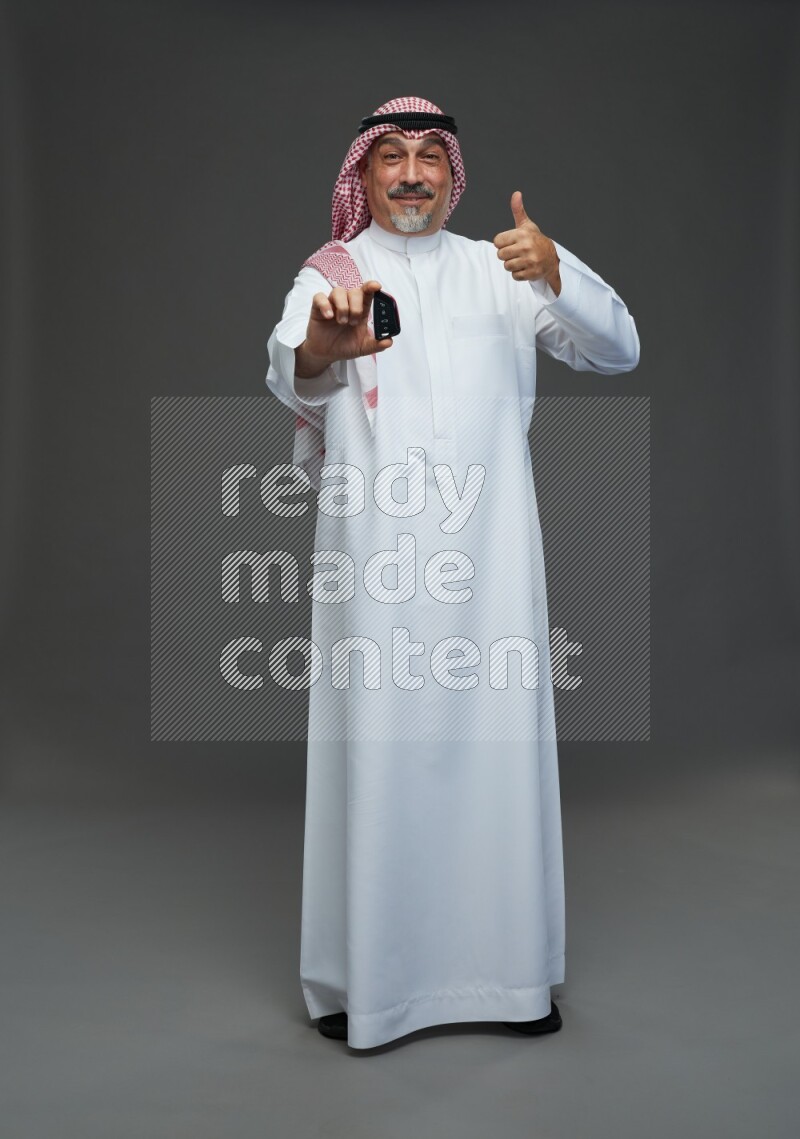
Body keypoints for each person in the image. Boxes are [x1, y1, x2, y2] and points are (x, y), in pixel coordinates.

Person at [265, 96, 639, 1049]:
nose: (411, 174)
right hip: (375, 558)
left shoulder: (500, 267)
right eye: (390, 157)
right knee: (376, 753)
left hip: (492, 562)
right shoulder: (333, 274)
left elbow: (616, 348)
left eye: (430, 156)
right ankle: (372, 989)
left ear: (453, 172)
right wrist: (324, 347)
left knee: (495, 758)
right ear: (366, 172)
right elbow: (290, 364)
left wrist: (557, 271)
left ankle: (509, 980)